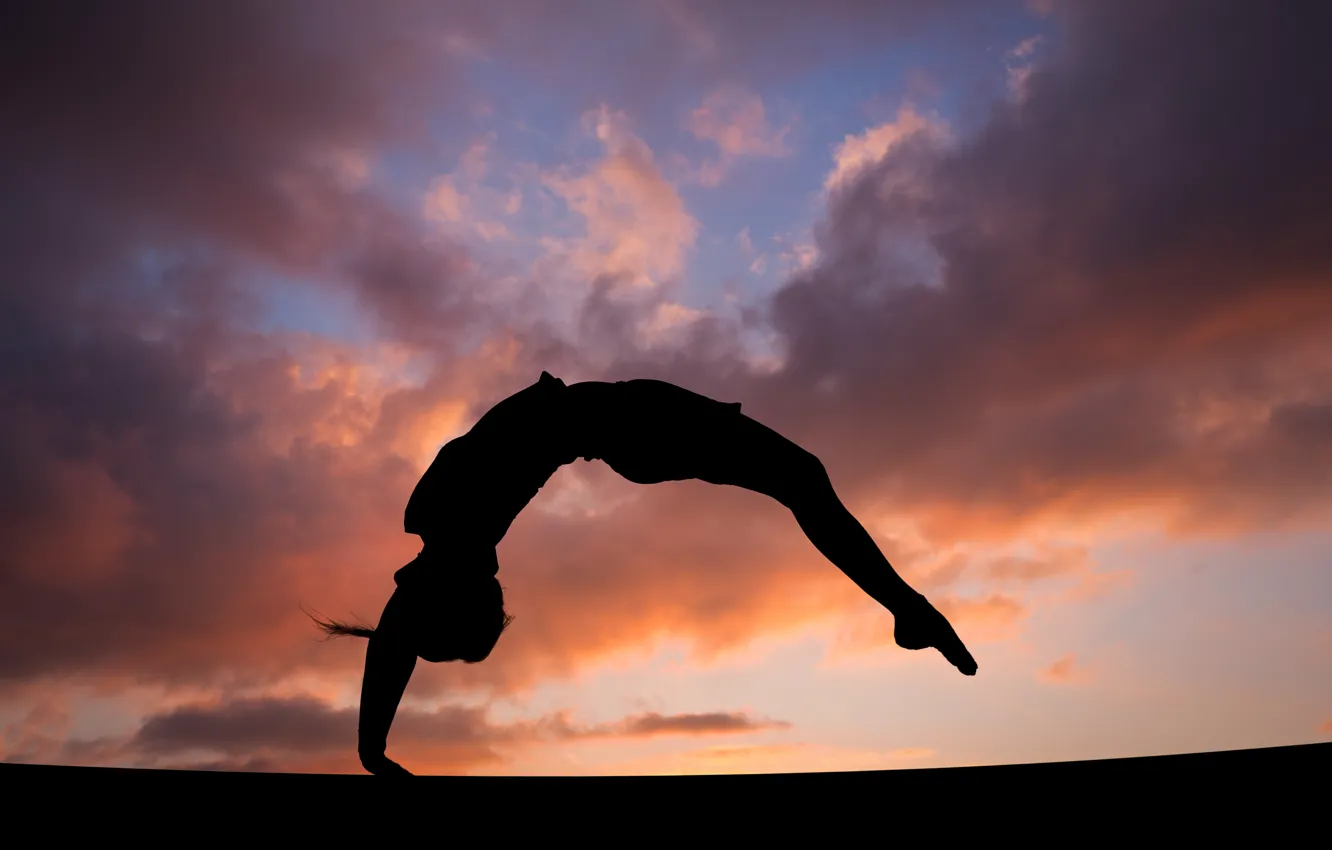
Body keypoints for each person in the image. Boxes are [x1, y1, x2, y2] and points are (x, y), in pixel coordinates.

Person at [312, 371, 977, 777]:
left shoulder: (451, 531)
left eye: (491, 607)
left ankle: (906, 609)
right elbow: (401, 630)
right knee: (801, 479)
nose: (500, 590)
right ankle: (906, 609)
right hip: (626, 424)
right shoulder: (441, 528)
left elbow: (399, 635)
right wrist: (372, 749)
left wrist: (374, 748)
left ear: (459, 597)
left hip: (629, 424)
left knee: (801, 479)